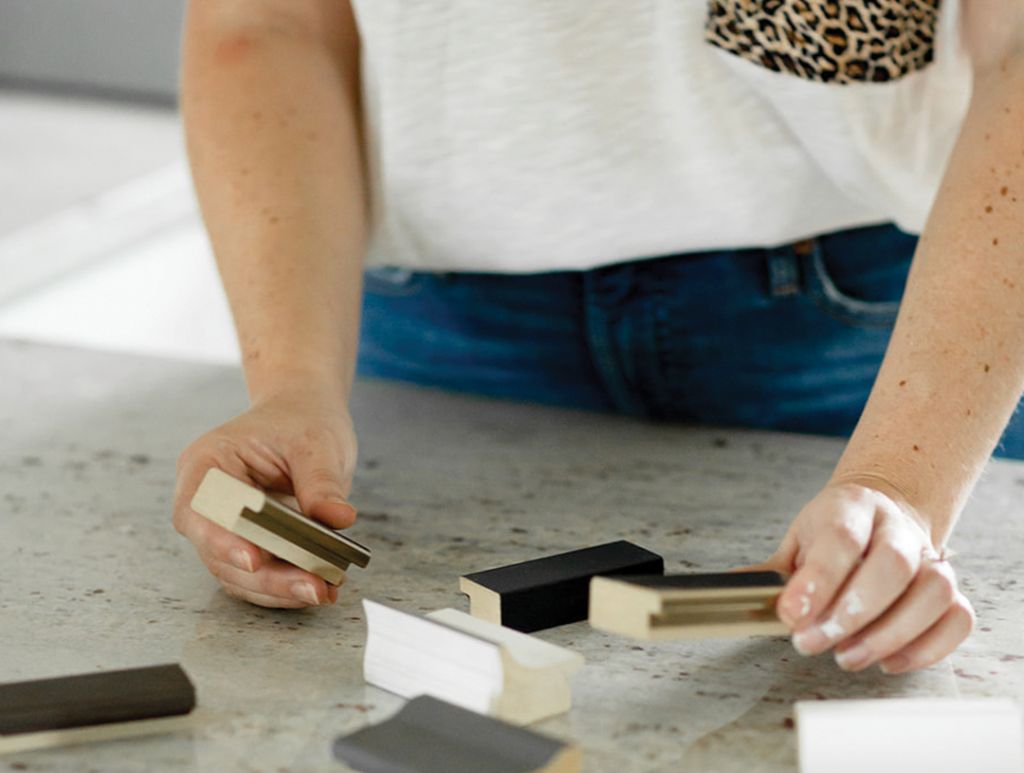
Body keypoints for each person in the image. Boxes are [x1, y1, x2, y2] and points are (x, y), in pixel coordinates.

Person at [172, 0, 1024, 676]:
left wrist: (902, 484)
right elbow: (263, 22)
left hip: (887, 319)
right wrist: (292, 385)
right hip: (431, 318)